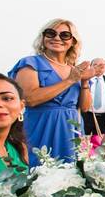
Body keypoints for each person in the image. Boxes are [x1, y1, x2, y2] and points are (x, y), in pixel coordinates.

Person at [9, 18, 95, 165]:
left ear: (73, 41)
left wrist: (84, 81)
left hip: (71, 129)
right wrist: (69, 80)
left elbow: (85, 107)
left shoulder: (74, 69)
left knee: (71, 176)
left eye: (64, 35)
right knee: (39, 171)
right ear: (43, 38)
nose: (57, 38)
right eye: (51, 33)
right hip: (41, 126)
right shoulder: (31, 63)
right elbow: (29, 99)